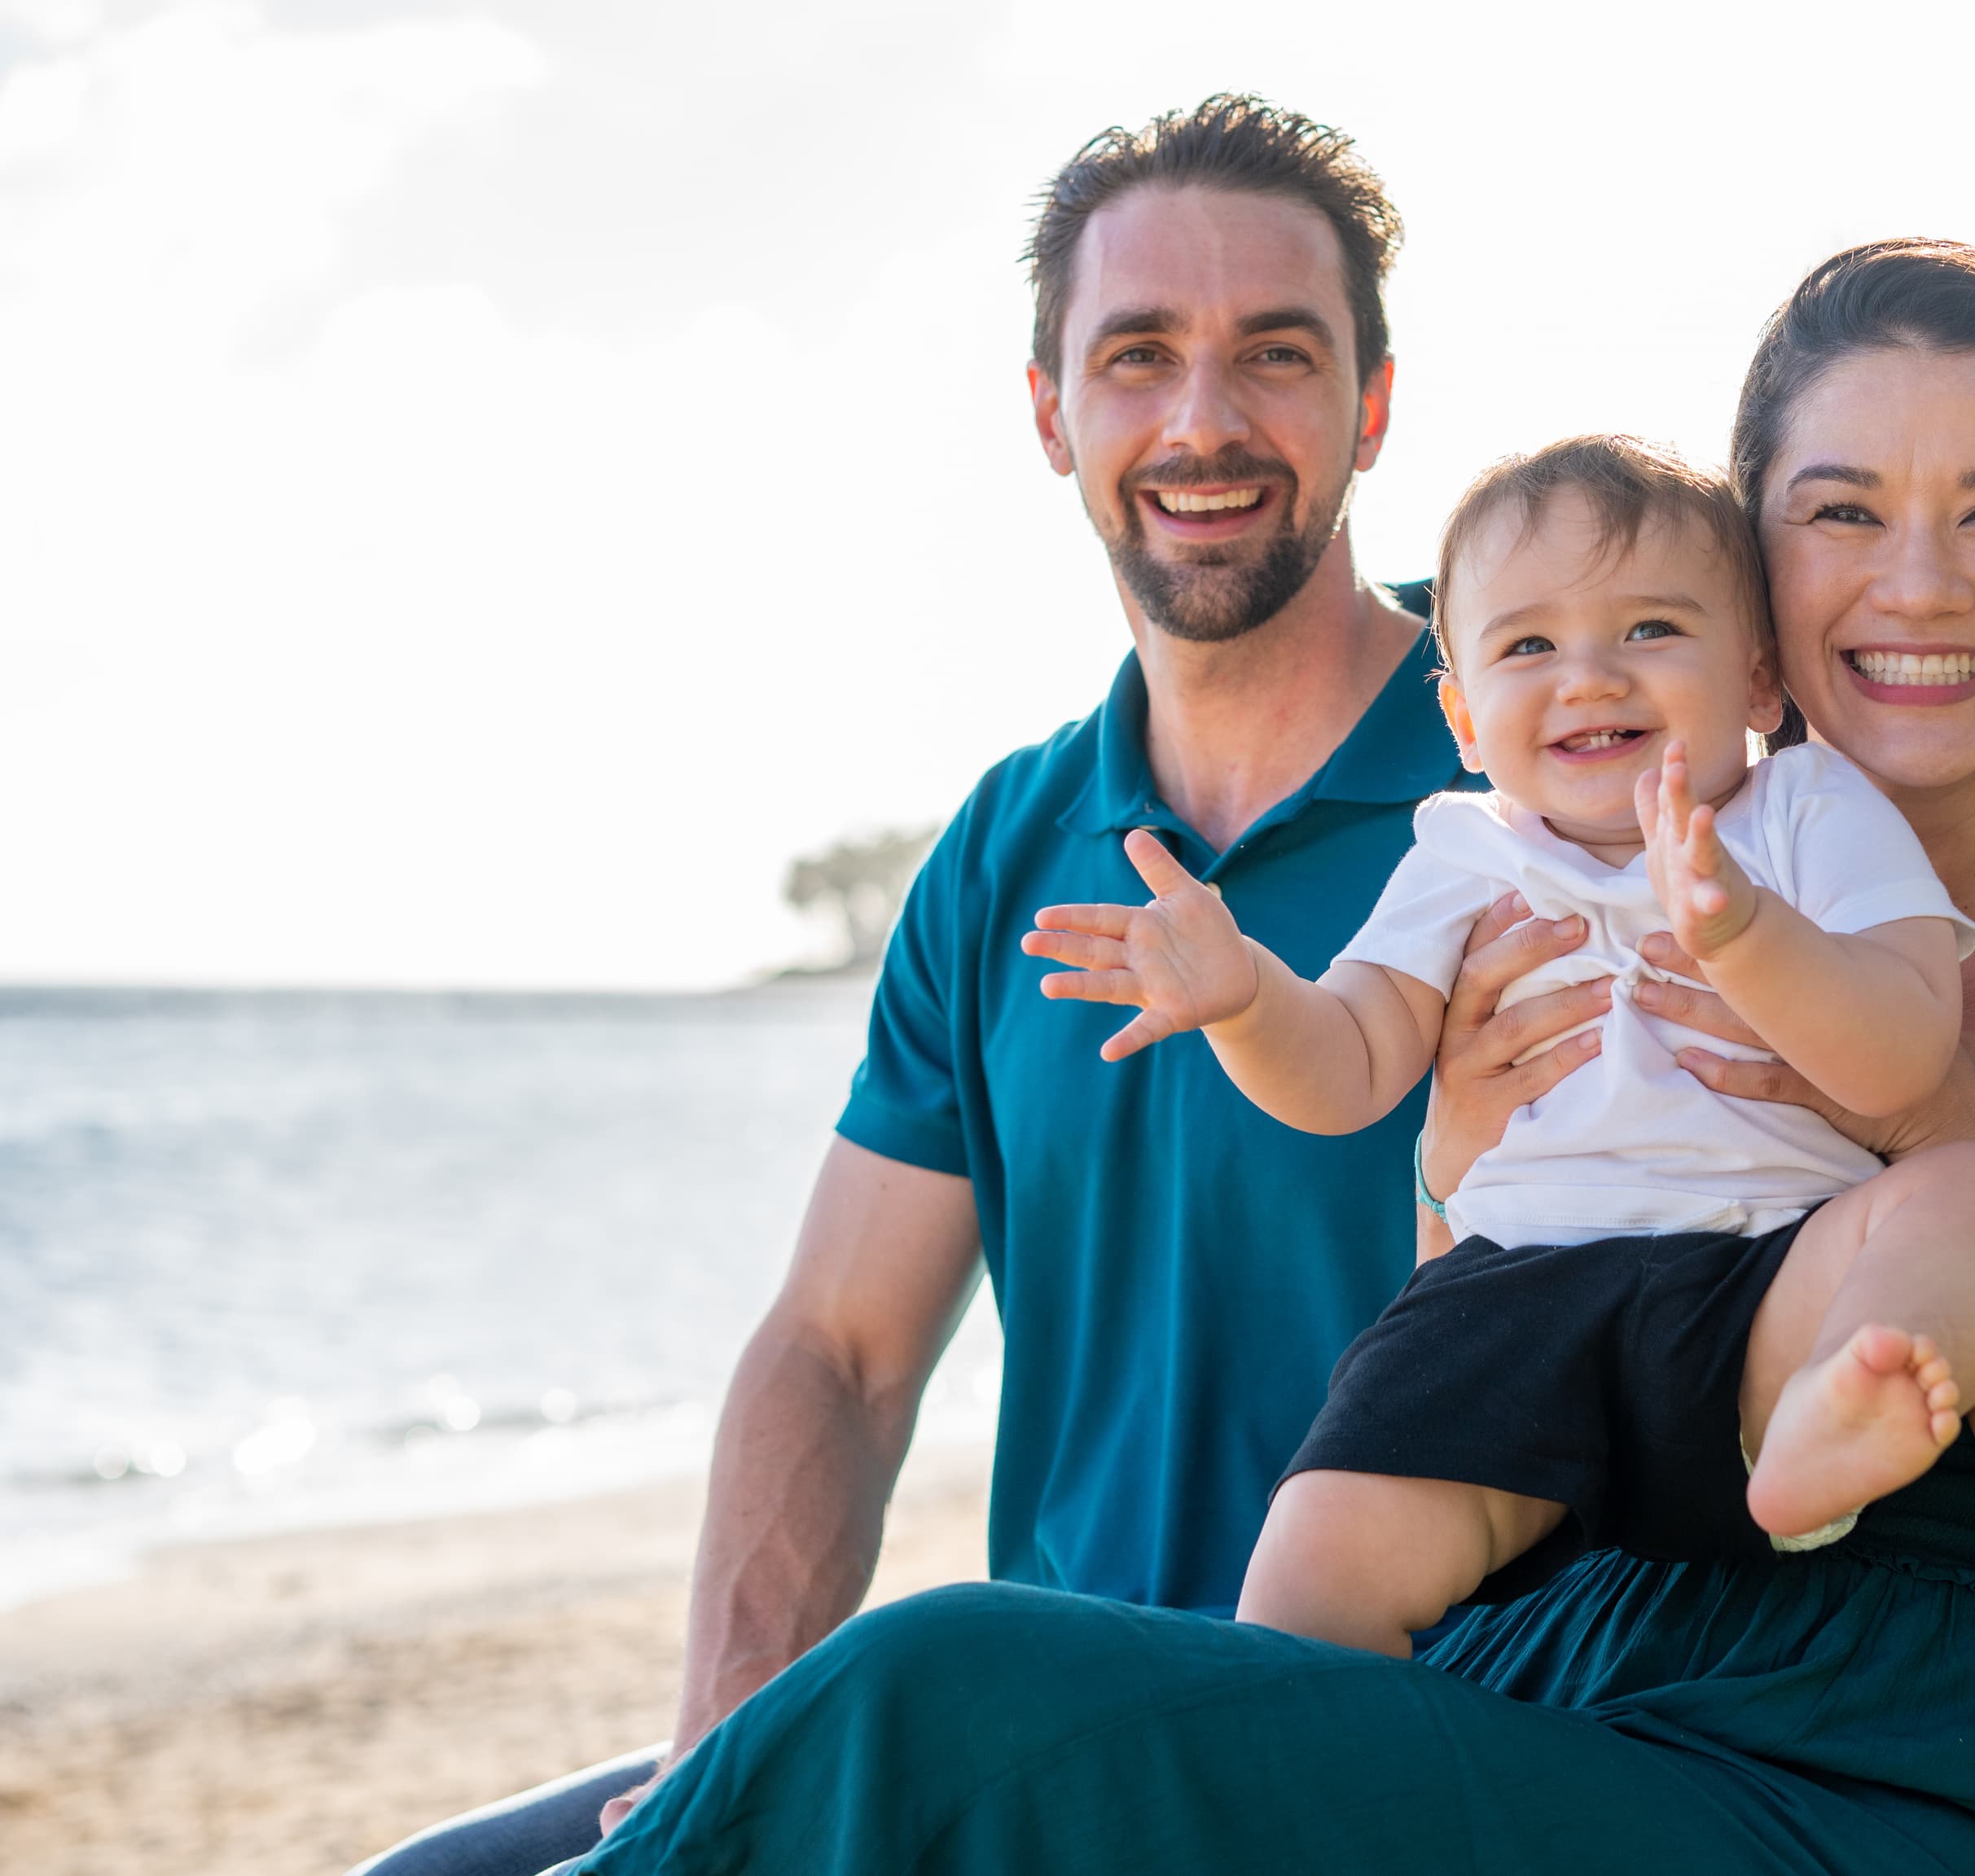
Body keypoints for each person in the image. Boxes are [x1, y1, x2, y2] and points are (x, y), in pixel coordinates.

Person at [565, 238, 1975, 1876]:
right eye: (1840, 512)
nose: (1916, 580)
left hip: (1892, 1785)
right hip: (1518, 1690)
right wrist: (1447, 1164)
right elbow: (1516, 1353)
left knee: (940, 1686)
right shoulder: (1548, 880)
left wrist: (1926, 1110)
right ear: (1757, 575)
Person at [354, 95, 1574, 1875]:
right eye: (1137, 356)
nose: (1202, 420)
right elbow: (841, 1353)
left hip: (1408, 1740)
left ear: (1375, 403)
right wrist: (722, 1749)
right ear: (1049, 412)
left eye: (1276, 357)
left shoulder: (1538, 781)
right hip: (1053, 1721)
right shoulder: (1007, 844)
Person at [1028, 434, 1975, 1654]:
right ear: (1465, 715)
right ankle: (1288, 1749)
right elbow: (1351, 1064)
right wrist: (1251, 999)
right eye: (1529, 645)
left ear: (1759, 685)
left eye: (1649, 631)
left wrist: (1744, 933)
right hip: (1506, 1296)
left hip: (1766, 1280)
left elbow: (1902, 1054)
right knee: (1307, 1597)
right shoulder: (1467, 854)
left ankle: (1836, 1416)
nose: (1589, 678)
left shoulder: (1811, 810)